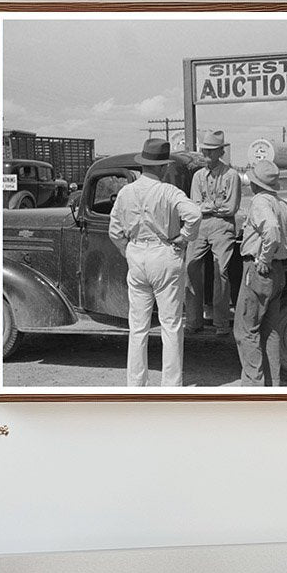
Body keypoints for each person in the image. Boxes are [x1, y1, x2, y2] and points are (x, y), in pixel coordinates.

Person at [108, 138, 201, 387]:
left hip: (137, 254)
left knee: (137, 327)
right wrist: (184, 238)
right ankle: (171, 386)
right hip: (164, 254)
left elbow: (114, 231)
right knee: (170, 325)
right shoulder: (169, 191)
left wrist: (128, 251)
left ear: (143, 165)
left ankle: (135, 385)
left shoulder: (126, 192)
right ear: (163, 166)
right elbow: (194, 214)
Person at [234, 159, 287, 386]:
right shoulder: (282, 204)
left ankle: (253, 387)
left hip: (258, 270)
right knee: (270, 330)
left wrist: (264, 258)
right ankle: (273, 385)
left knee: (246, 330)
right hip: (278, 272)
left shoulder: (260, 201)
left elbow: (271, 229)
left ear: (255, 184)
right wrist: (278, 252)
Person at [185, 129, 240, 335]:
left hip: (223, 226)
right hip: (201, 225)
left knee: (221, 272)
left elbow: (231, 208)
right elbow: (195, 205)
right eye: (204, 150)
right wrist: (214, 205)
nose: (206, 155)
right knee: (190, 267)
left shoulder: (231, 175)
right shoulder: (198, 175)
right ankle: (193, 321)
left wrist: (208, 206)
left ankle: (221, 323)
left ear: (220, 152)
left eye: (211, 151)